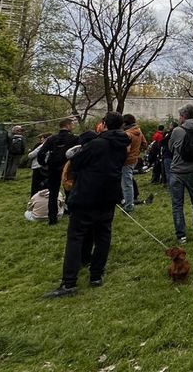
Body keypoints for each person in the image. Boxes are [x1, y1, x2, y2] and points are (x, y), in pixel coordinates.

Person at [45, 112, 130, 298]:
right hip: (108, 196)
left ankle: (69, 282)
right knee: (103, 235)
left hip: (87, 195)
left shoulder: (97, 144)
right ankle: (96, 275)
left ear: (104, 125)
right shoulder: (122, 146)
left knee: (76, 237)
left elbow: (75, 163)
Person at [168, 105, 193, 243]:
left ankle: (181, 236)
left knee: (177, 204)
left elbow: (171, 148)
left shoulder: (178, 130)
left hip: (177, 171)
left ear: (183, 116)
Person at [37, 119, 78, 225]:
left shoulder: (52, 139)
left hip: (53, 167)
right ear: (68, 126)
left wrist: (44, 164)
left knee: (53, 193)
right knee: (70, 191)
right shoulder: (74, 138)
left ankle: (52, 218)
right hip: (68, 168)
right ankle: (72, 215)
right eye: (72, 124)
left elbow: (41, 153)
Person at [121, 114, 146, 212]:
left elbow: (126, 150)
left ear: (125, 123)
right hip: (134, 160)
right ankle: (129, 202)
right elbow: (144, 144)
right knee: (128, 181)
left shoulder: (127, 134)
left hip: (126, 161)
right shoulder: (138, 131)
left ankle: (129, 206)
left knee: (126, 184)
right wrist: (137, 152)